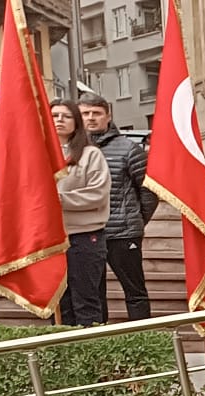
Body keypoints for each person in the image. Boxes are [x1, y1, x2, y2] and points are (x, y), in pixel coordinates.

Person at [78, 93, 153, 321]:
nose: (91, 118)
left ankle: (143, 342)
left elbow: (148, 191)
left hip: (123, 233)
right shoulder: (73, 150)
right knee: (93, 294)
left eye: (97, 113)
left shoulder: (129, 149)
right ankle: (100, 344)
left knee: (135, 292)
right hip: (87, 233)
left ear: (108, 116)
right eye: (85, 113)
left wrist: (135, 219)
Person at [53, 100, 110, 327]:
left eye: (65, 116)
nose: (59, 120)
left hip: (84, 236)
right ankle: (64, 357)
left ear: (76, 122)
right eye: (54, 115)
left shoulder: (90, 154)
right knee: (59, 305)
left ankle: (90, 358)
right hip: (50, 240)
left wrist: (59, 200)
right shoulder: (38, 156)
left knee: (85, 302)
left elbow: (98, 194)